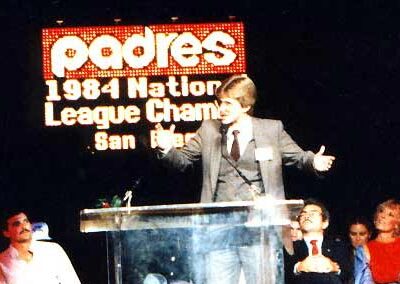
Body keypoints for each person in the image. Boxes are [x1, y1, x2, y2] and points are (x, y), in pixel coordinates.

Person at [154, 74, 336, 284]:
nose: (221, 109)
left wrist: (314, 161)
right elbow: (183, 160)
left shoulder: (270, 129)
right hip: (219, 230)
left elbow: (298, 157)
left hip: (259, 228)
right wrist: (167, 148)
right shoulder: (209, 129)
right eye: (219, 103)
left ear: (245, 105)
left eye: (228, 104)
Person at [0, 209, 81, 284]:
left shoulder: (53, 250)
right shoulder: (2, 261)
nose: (24, 226)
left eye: (26, 221)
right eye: (16, 224)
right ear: (6, 233)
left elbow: (72, 281)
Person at [286, 199, 353, 284]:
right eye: (303, 214)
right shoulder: (290, 249)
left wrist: (335, 268)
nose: (307, 216)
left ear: (325, 223)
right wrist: (298, 267)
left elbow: (348, 274)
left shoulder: (339, 247)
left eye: (312, 213)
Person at [363, 199, 400, 284]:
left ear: (396, 224)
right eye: (381, 211)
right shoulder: (367, 248)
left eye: (390, 215)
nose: (382, 216)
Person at [347, 216, 374, 284]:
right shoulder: (342, 254)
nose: (358, 238)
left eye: (362, 234)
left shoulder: (378, 252)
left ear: (369, 234)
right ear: (348, 235)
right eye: (353, 234)